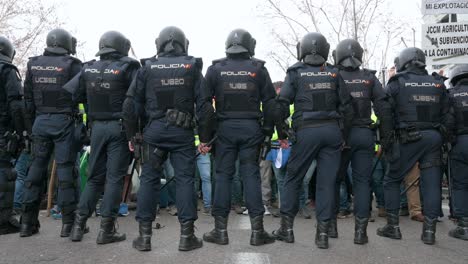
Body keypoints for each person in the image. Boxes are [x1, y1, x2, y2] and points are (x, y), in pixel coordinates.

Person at [124, 26, 215, 252]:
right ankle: (187, 237)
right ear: (184, 44)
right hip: (182, 134)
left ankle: (144, 238)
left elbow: (129, 105)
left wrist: (132, 136)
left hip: (153, 132)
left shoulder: (147, 68)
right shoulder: (192, 67)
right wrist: (205, 139)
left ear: (159, 44)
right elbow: (204, 107)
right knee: (185, 180)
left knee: (149, 180)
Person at [272, 32, 354, 249]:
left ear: (303, 49)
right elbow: (347, 107)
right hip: (331, 131)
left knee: (293, 178)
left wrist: (282, 132)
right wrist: (342, 135)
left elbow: (281, 104)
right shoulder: (335, 73)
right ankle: (323, 235)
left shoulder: (295, 73)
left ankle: (286, 229)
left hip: (307, 131)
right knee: (326, 183)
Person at [202, 28, 276, 246]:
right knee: (251, 176)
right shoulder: (258, 69)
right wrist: (268, 131)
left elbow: (205, 106)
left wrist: (206, 137)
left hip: (225, 129)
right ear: (249, 46)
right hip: (251, 128)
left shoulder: (215, 69)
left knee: (223, 176)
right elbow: (271, 103)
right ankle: (257, 232)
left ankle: (220, 231)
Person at [64, 31, 140, 244]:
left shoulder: (88, 68)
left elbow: (74, 94)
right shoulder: (129, 67)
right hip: (119, 127)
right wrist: (135, 133)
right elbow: (136, 101)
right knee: (114, 177)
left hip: (97, 128)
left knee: (94, 177)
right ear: (122, 47)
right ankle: (106, 230)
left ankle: (78, 226)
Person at [377, 47, 453, 245]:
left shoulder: (396, 83)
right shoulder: (438, 83)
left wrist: (386, 140)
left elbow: (384, 112)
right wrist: (443, 136)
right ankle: (429, 232)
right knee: (430, 184)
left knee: (392, 179)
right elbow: (449, 114)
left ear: (403, 62)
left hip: (407, 139)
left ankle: (393, 227)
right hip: (433, 138)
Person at [20, 28, 82, 238]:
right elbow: (81, 94)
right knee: (66, 173)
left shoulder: (33, 63)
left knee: (34, 172)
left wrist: (30, 129)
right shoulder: (73, 65)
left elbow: (27, 99)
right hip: (64, 121)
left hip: (40, 122)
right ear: (66, 44)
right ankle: (68, 224)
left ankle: (27, 224)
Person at [332, 39, 393, 244]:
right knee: (362, 183)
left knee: (332, 180)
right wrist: (385, 137)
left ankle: (329, 227)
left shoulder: (333, 75)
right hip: (364, 135)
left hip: (340, 136)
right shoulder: (369, 77)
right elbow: (383, 108)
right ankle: (361, 232)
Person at [0, 36, 28, 235]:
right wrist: (22, 132)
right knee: (6, 173)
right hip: (3, 131)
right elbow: (16, 105)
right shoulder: (7, 71)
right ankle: (4, 220)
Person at [447, 64, 468, 241]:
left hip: (460, 142)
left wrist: (449, 141)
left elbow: (448, 121)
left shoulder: (451, 95)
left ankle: (463, 226)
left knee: (460, 183)